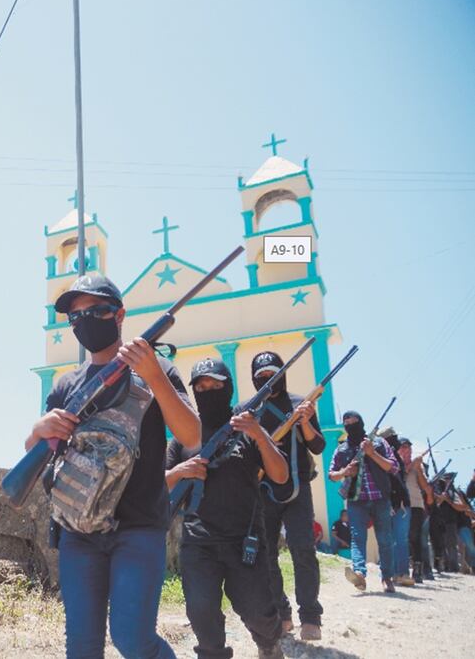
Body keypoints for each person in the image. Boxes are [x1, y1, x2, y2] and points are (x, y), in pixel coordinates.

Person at [27, 274, 200, 659]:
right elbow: (37, 456)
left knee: (133, 640)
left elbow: (191, 436)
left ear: (119, 315)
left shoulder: (159, 371)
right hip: (78, 532)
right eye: (75, 316)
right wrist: (38, 430)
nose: (84, 321)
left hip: (139, 528)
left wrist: (154, 374)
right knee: (82, 647)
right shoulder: (64, 386)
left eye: (96, 311)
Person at [165, 358, 287, 659]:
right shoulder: (184, 435)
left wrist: (259, 433)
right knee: (201, 611)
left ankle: (269, 645)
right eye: (201, 386)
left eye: (215, 385)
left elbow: (281, 475)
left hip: (244, 538)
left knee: (258, 611)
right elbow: (160, 485)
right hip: (198, 542)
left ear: (228, 387)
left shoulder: (245, 427)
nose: (208, 391)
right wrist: (182, 470)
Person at [250, 351, 324, 640]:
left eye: (273, 374)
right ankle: (281, 614)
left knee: (303, 549)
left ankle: (310, 617)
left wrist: (304, 421)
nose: (268, 380)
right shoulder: (248, 409)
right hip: (262, 491)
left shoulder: (300, 404)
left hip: (298, 488)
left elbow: (317, 446)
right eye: (262, 376)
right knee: (266, 555)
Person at [328, 410, 398, 592]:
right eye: (347, 423)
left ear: (362, 422)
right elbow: (332, 475)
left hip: (380, 498)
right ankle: (359, 574)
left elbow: (392, 467)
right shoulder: (341, 449)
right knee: (358, 538)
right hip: (355, 500)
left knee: (385, 538)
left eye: (354, 421)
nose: (350, 425)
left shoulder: (378, 443)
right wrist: (345, 472)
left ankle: (387, 577)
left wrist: (372, 453)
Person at [397, 439, 433, 583]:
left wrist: (417, 468)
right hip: (400, 505)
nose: (408, 451)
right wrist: (410, 465)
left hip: (416, 504)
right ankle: (402, 569)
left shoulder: (417, 466)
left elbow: (425, 486)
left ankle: (418, 570)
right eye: (404, 448)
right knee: (402, 537)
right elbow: (401, 475)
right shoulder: (395, 463)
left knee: (415, 536)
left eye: (409, 448)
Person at [381, 429, 414, 586]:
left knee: (398, 539)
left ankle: (400, 573)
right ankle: (395, 573)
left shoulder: (391, 457)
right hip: (390, 504)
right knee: (394, 540)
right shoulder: (384, 456)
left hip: (399, 504)